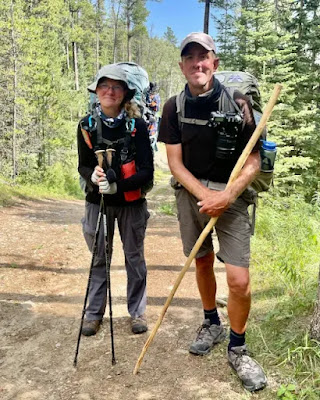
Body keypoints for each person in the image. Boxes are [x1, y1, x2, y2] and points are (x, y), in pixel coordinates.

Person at [158, 32, 267, 392]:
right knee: (201, 261)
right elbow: (174, 162)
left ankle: (238, 347)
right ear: (182, 65)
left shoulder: (238, 102)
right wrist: (205, 194)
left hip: (233, 197)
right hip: (192, 194)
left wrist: (228, 194)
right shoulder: (173, 107)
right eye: (189, 58)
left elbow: (254, 157)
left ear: (214, 63)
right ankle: (211, 322)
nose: (197, 64)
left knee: (239, 280)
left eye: (203, 57)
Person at [77, 64, 153, 336]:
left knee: (134, 258)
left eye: (116, 87)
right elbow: (82, 166)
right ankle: (94, 313)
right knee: (99, 258)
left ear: (124, 93)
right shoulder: (86, 125)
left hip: (131, 205)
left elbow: (146, 171)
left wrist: (118, 185)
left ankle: (138, 312)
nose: (109, 91)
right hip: (97, 204)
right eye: (104, 86)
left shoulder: (137, 126)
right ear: (96, 91)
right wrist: (94, 176)